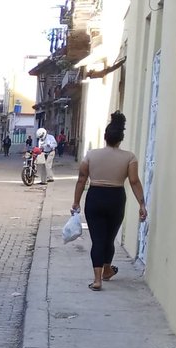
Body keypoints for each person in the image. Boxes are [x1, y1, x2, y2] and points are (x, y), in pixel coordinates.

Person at [71, 112, 147, 291]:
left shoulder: (91, 155)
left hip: (95, 197)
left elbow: (82, 179)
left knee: (97, 239)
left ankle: (98, 279)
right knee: (109, 239)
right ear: (120, 139)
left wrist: (76, 202)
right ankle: (106, 269)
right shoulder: (129, 157)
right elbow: (134, 181)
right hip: (116, 199)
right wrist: (142, 204)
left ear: (105, 137)